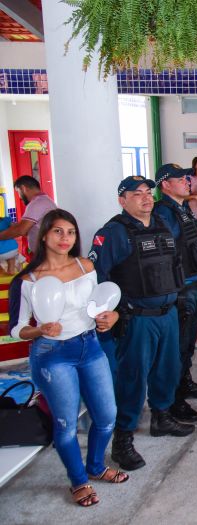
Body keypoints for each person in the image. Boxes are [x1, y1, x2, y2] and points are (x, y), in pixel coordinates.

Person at [10, 209, 123, 507]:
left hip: (90, 346)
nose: (65, 238)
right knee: (66, 424)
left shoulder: (86, 266)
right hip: (52, 355)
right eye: (58, 231)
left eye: (70, 232)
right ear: (44, 234)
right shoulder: (29, 279)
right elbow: (16, 328)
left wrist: (111, 317)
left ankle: (96, 466)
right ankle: (78, 481)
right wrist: (39, 330)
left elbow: (101, 305)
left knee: (107, 416)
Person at [88, 176, 192, 472]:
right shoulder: (114, 233)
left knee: (167, 370)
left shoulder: (162, 224)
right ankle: (122, 439)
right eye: (137, 194)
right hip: (137, 318)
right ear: (122, 201)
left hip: (168, 313)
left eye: (148, 192)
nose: (146, 198)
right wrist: (116, 310)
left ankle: (161, 417)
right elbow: (97, 275)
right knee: (132, 379)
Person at [153, 164, 197, 423]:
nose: (187, 180)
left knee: (188, 344)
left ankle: (184, 384)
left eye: (187, 177)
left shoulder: (182, 208)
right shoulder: (163, 213)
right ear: (165, 184)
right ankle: (173, 402)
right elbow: (166, 254)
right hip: (181, 289)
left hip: (195, 283)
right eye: (181, 178)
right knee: (177, 348)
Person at [0, 175, 57, 257]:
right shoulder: (46, 200)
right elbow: (28, 228)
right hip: (46, 252)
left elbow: (20, 230)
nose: (19, 197)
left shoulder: (36, 203)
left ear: (23, 188)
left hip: (45, 254)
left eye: (18, 192)